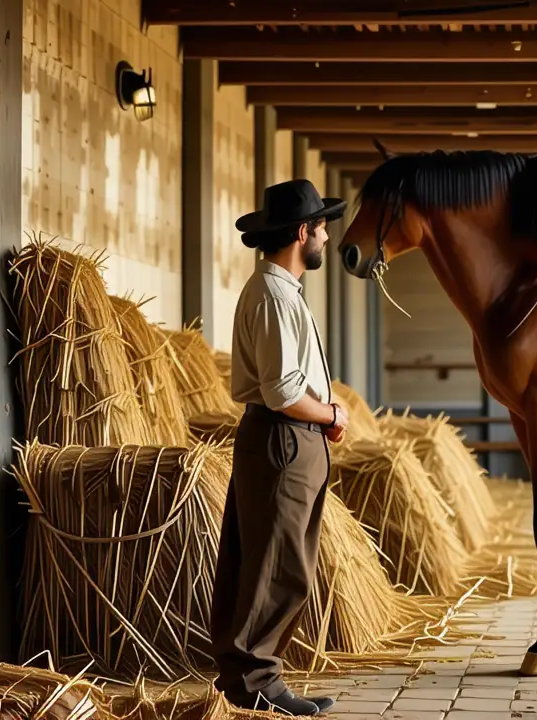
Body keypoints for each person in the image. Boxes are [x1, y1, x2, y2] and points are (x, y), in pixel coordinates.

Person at [210, 179, 350, 716]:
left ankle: (248, 680)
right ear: (302, 232)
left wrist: (323, 415)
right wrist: (330, 414)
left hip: (285, 440)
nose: (327, 238)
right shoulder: (273, 295)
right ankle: (257, 684)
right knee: (279, 567)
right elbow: (283, 391)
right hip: (282, 441)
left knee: (268, 562)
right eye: (322, 228)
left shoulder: (282, 291)